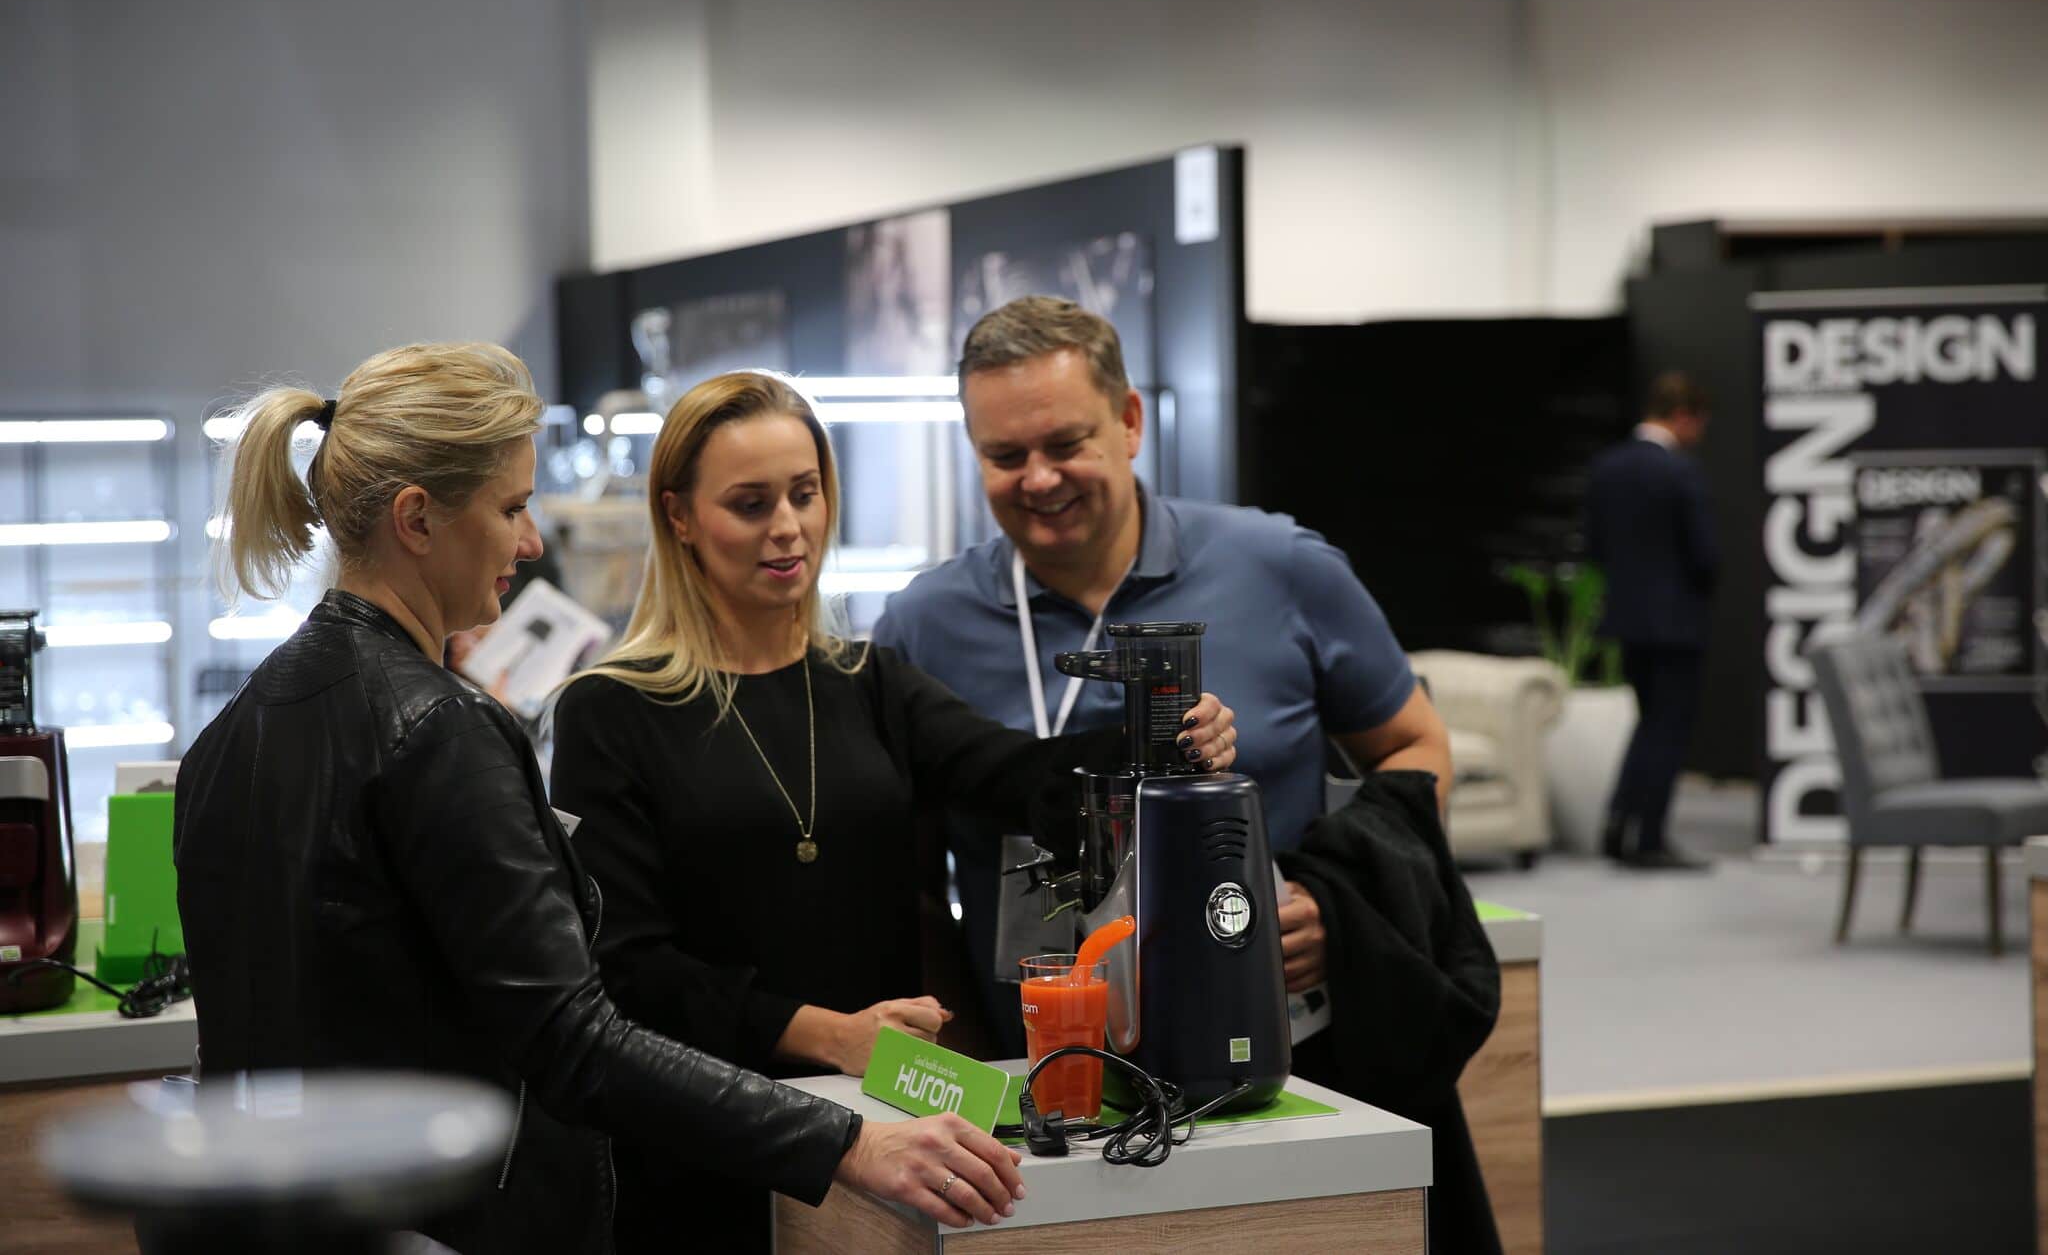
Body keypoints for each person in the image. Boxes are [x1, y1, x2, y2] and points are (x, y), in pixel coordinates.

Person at [174, 343, 1028, 1255]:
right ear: (417, 518)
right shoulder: (442, 730)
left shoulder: (233, 732)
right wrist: (848, 1143)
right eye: (511, 508)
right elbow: (575, 1041)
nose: (531, 542)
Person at [545, 370, 1237, 1255]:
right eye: (751, 504)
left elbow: (1020, 773)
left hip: (882, 1135)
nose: (788, 526)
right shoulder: (611, 710)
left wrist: (1165, 735)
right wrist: (832, 1035)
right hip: (704, 1135)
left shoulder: (868, 683)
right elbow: (630, 966)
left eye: (805, 494)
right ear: (678, 516)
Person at [869, 295, 1452, 1053]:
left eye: (1066, 443)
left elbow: (1415, 748)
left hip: (1277, 1042)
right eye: (1006, 456)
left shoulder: (1280, 567)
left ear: (1130, 421)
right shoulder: (924, 624)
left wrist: (1338, 898)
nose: (1039, 479)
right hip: (1040, 1062)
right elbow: (904, 878)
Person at [1584, 370, 1719, 871]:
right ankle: (1648, 839)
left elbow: (1594, 547)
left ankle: (1618, 823)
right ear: (1683, 416)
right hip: (1677, 623)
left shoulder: (1607, 467)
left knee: (1647, 724)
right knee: (1668, 729)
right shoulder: (1681, 472)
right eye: (1699, 424)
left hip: (1627, 620)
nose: (1698, 435)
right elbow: (1705, 555)